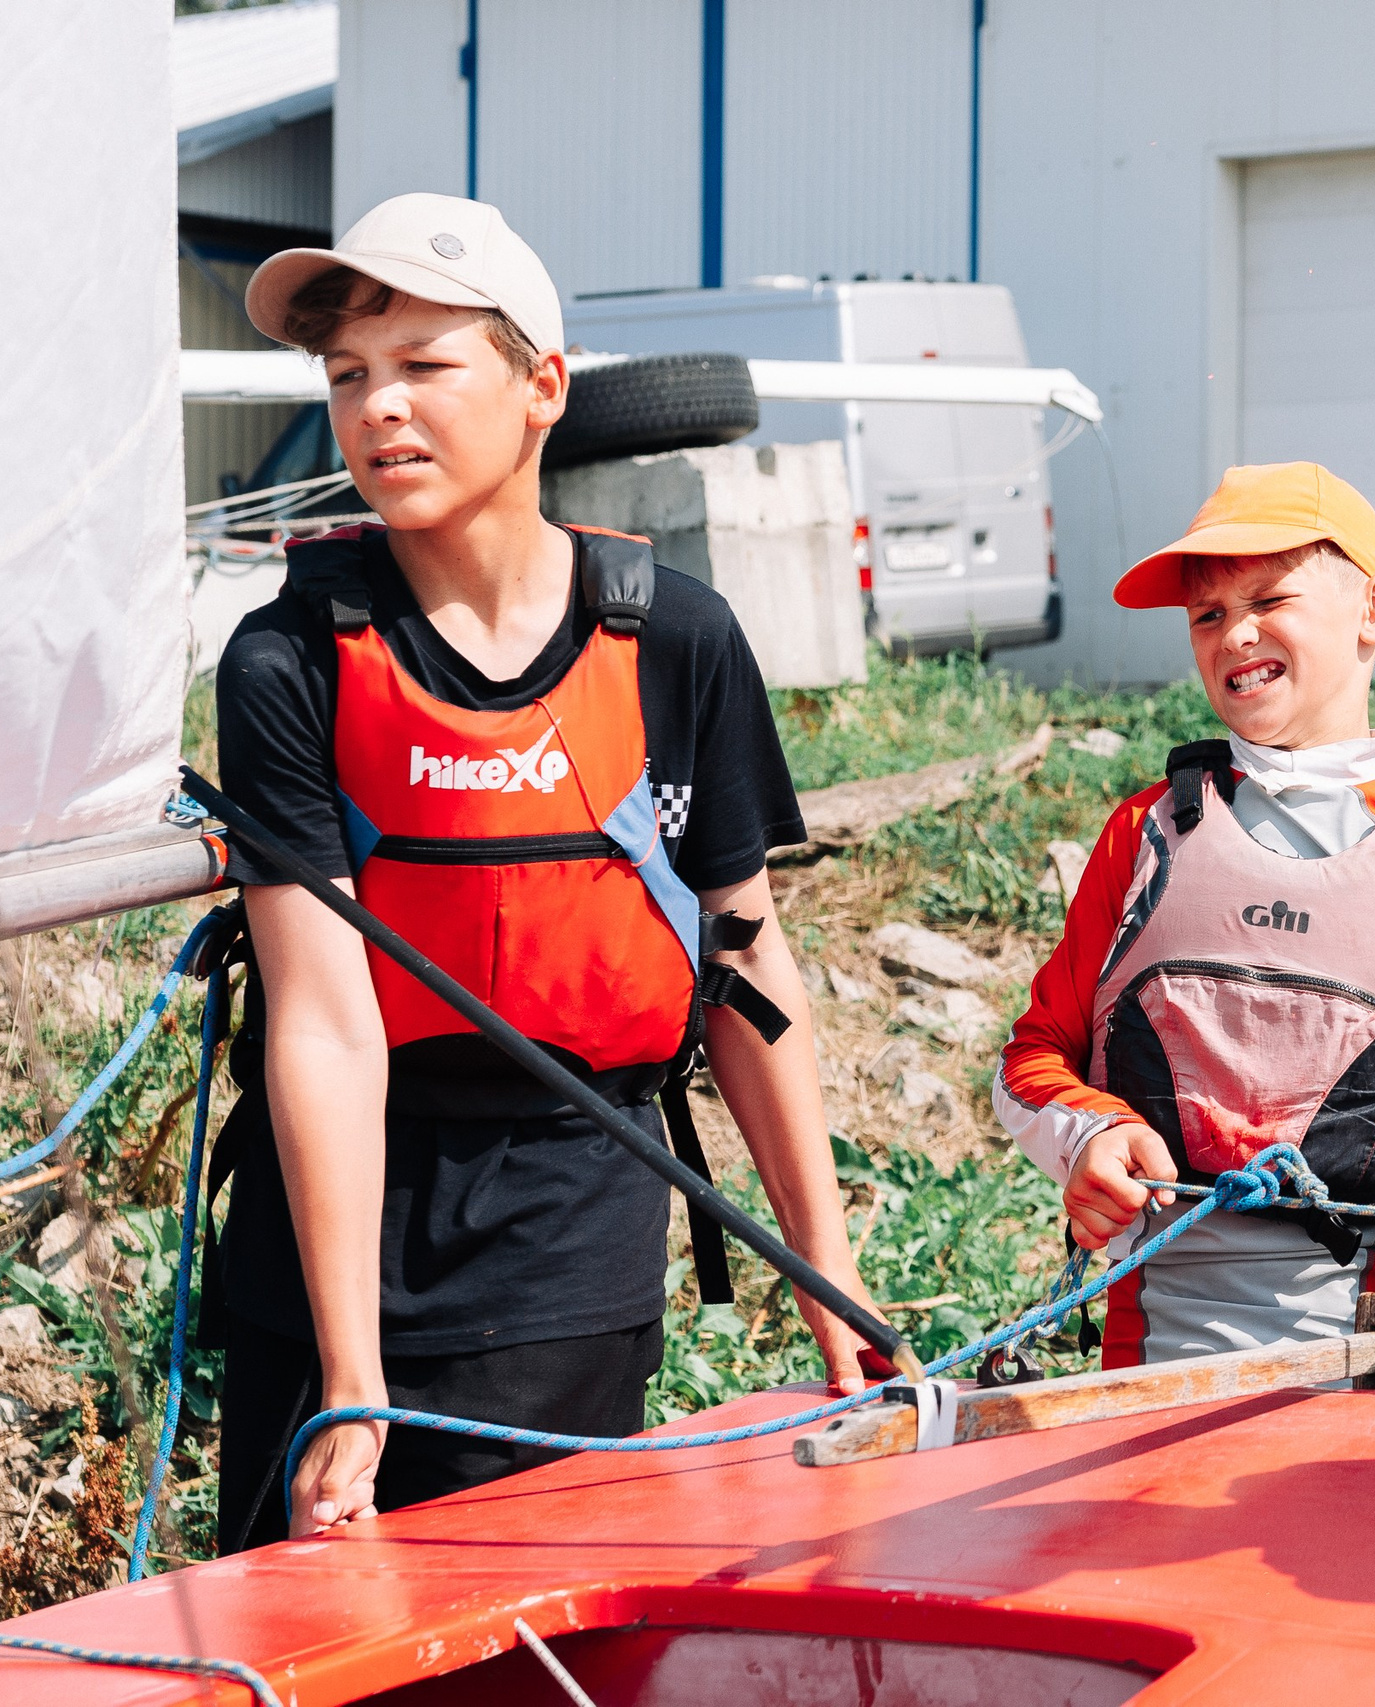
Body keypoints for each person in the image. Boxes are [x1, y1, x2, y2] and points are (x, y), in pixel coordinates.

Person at [208, 194, 880, 1550]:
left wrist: (832, 1280)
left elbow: (746, 960)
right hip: (334, 1229)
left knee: (521, 1633)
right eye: (348, 376)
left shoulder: (677, 640)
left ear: (542, 388)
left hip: (575, 1220)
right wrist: (351, 1375)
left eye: (424, 365)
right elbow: (329, 1023)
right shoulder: (286, 661)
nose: (378, 408)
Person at [997, 461, 1375, 1373]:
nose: (1235, 632)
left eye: (1269, 599)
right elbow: (1032, 1057)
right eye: (1207, 614)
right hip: (1147, 1359)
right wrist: (1092, 1130)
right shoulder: (1144, 833)